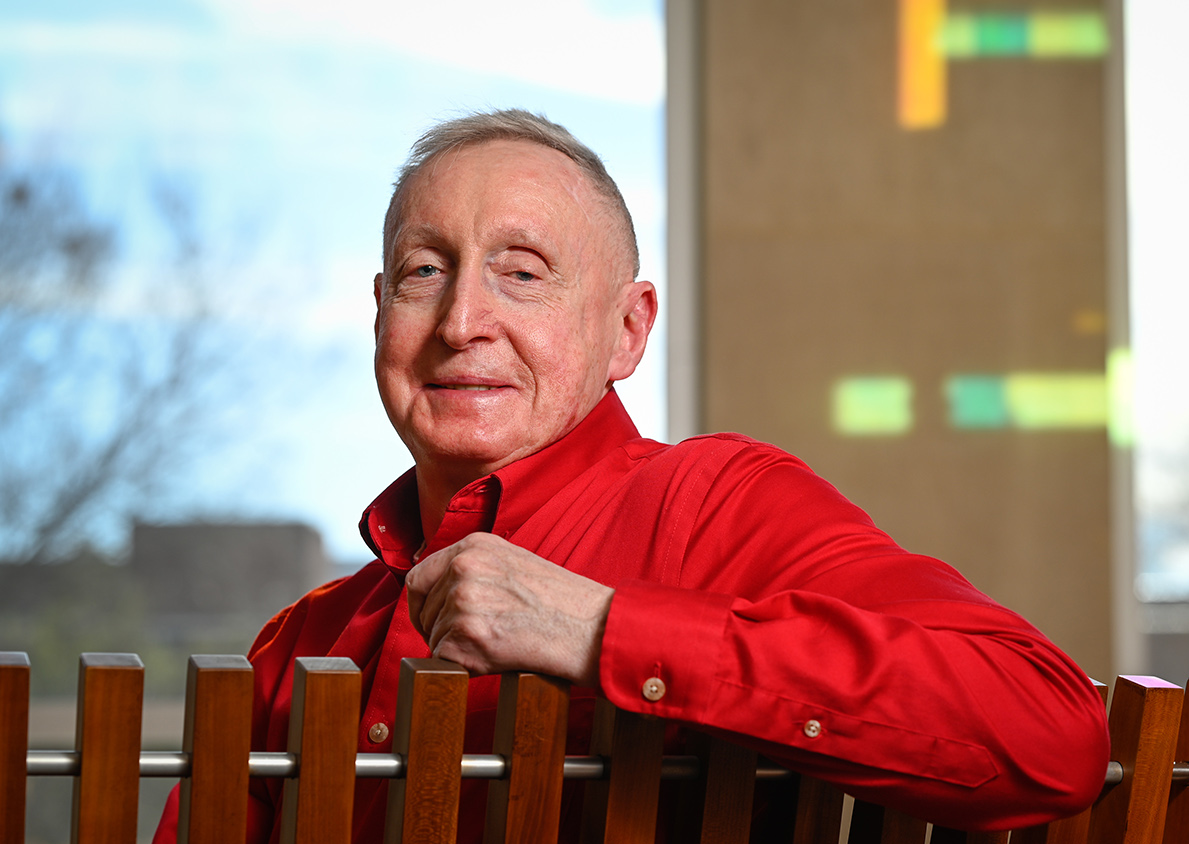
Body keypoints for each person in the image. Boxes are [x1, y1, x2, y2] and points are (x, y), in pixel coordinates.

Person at [153, 109, 1109, 842]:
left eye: (522, 273)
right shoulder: (298, 644)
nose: (459, 324)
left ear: (627, 330)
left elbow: (1049, 732)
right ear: (379, 318)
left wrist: (605, 629)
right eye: (423, 273)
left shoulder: (719, 506)